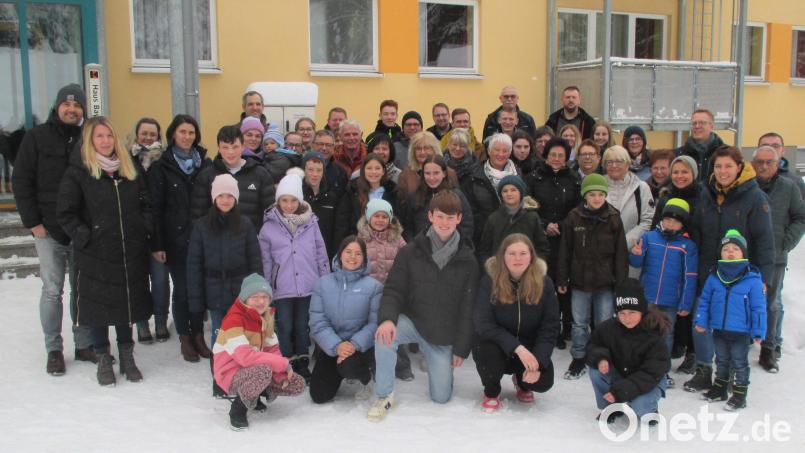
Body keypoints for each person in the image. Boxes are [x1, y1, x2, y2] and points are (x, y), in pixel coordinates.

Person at [57, 116, 152, 386]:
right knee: (99, 307)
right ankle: (102, 358)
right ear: (90, 141)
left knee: (126, 304)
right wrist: (85, 236)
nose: (105, 141)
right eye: (99, 136)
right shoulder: (79, 172)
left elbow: (146, 203)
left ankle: (127, 355)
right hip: (95, 252)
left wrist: (142, 227)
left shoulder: (129, 169)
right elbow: (65, 212)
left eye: (109, 136)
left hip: (127, 249)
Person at [368, 191, 478, 421]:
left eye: (450, 217)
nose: (444, 222)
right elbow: (394, 289)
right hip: (413, 321)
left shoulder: (468, 259)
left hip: (442, 334)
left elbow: (469, 307)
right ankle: (384, 394)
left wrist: (461, 347)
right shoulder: (410, 251)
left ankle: (441, 368)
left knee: (441, 397)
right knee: (384, 334)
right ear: (430, 216)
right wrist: (388, 319)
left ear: (459, 218)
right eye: (440, 216)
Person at [12, 84, 95, 374]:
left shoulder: (89, 140)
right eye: (66, 105)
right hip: (47, 230)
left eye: (77, 106)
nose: (71, 110)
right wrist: (33, 223)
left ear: (83, 110)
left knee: (81, 290)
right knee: (52, 290)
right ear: (58, 107)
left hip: (81, 230)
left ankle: (84, 344)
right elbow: (21, 181)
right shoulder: (36, 138)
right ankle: (54, 349)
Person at [684, 145, 774, 393]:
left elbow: (765, 241)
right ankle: (703, 370)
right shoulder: (706, 194)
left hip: (740, 277)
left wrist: (763, 277)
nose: (723, 171)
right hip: (708, 271)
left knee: (733, 326)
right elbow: (697, 233)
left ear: (739, 167)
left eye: (728, 166)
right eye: (718, 166)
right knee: (700, 320)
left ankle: (731, 374)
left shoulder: (754, 197)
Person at [186, 173, 262, 395]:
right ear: (214, 198)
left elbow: (255, 260)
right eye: (221, 195)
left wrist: (257, 292)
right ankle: (220, 379)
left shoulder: (245, 224)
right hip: (214, 289)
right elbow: (194, 264)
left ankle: (243, 376)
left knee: (243, 335)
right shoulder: (201, 226)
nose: (226, 200)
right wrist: (196, 299)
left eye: (230, 195)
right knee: (220, 336)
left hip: (241, 290)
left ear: (236, 198)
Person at [149, 114, 210, 362]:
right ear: (173, 134)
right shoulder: (161, 167)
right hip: (174, 240)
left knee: (198, 290)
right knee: (183, 290)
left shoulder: (205, 165)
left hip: (202, 239)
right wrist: (157, 243)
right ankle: (185, 337)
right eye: (182, 132)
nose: (187, 137)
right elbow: (154, 208)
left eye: (191, 132)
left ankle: (198, 335)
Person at [473, 234, 559, 411]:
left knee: (543, 381)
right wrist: (517, 348)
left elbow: (549, 327)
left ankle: (523, 383)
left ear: (531, 256)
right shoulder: (489, 281)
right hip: (498, 345)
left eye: (522, 253)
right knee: (486, 352)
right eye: (512, 253)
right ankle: (492, 391)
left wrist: (539, 362)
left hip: (529, 345)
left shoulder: (545, 283)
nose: (517, 258)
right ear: (502, 256)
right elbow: (483, 324)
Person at [258, 173, 330, 383]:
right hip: (282, 288)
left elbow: (320, 252)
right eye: (284, 200)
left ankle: (303, 360)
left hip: (308, 284)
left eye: (293, 200)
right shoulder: (268, 227)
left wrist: (324, 279)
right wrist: (267, 287)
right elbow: (266, 261)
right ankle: (287, 359)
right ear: (278, 201)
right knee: (284, 324)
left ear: (299, 201)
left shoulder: (311, 223)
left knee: (301, 325)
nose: (288, 205)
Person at [557, 174, 628, 380]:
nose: (596, 199)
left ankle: (602, 355)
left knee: (604, 322)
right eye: (592, 194)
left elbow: (621, 254)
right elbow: (565, 250)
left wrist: (620, 283)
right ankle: (578, 357)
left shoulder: (613, 218)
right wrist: (562, 279)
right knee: (579, 323)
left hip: (605, 282)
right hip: (579, 282)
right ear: (585, 196)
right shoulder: (573, 217)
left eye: (600, 194)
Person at [213, 274, 306, 431]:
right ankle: (238, 409)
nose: (261, 301)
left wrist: (280, 374)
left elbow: (273, 350)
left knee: (297, 384)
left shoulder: (266, 318)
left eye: (265, 297)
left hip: (255, 370)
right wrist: (283, 364)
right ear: (244, 299)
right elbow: (245, 357)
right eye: (254, 297)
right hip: (230, 374)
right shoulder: (233, 320)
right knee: (263, 371)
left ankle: (256, 393)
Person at [629, 198, 698, 387]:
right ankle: (639, 367)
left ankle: (661, 371)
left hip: (670, 300)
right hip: (648, 297)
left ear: (683, 223)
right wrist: (635, 254)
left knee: (666, 336)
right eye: (668, 219)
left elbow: (690, 276)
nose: (671, 223)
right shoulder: (649, 238)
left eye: (676, 221)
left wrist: (685, 303)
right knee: (643, 332)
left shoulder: (687, 246)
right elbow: (636, 264)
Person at [694, 230, 766, 411]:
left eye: (735, 249)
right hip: (719, 328)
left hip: (740, 331)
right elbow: (704, 301)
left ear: (743, 253)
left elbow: (759, 308)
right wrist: (701, 321)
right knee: (721, 359)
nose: (731, 252)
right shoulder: (714, 276)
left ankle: (740, 395)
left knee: (739, 362)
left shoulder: (753, 278)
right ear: (720, 253)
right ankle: (720, 388)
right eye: (726, 249)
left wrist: (758, 331)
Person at [309, 236, 383, 404]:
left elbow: (374, 323)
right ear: (340, 254)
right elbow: (318, 322)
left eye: (358, 253)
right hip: (333, 345)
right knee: (319, 395)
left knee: (348, 366)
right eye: (348, 252)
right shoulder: (322, 284)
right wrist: (337, 346)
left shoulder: (374, 287)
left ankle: (366, 377)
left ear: (364, 258)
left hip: (360, 347)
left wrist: (353, 345)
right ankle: (339, 370)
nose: (352, 257)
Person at [751, 146, 805, 373]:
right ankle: (741, 345)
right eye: (760, 162)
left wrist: (784, 244)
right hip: (747, 255)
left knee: (770, 304)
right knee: (745, 302)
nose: (764, 166)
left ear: (778, 163)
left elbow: (800, 217)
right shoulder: (747, 186)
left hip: (774, 258)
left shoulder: (788, 187)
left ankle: (768, 349)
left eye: (769, 162)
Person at [586, 279, 670, 422]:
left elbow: (651, 372)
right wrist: (601, 358)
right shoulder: (608, 328)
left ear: (642, 311)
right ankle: (611, 407)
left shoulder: (654, 334)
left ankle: (650, 409)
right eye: (622, 313)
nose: (627, 318)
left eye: (632, 312)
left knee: (640, 405)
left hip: (648, 380)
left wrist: (620, 392)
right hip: (621, 373)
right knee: (595, 371)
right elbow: (593, 345)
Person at [525, 137, 582, 348]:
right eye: (553, 155)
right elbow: (528, 208)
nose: (557, 159)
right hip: (540, 240)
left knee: (563, 284)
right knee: (542, 285)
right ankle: (545, 329)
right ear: (546, 156)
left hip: (566, 239)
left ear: (567, 158)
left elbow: (577, 209)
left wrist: (562, 224)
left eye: (561, 155)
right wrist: (545, 224)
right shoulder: (533, 179)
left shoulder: (574, 179)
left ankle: (565, 326)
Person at [650, 155, 703, 372]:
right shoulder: (666, 196)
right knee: (670, 314)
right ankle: (671, 350)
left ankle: (691, 352)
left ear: (694, 173)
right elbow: (656, 227)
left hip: (691, 257)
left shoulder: (702, 197)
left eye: (685, 172)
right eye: (676, 172)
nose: (679, 176)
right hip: (667, 262)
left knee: (687, 308)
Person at [357, 199, 413, 381]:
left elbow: (408, 262)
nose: (380, 220)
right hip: (369, 294)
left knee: (394, 327)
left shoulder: (397, 239)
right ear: (368, 217)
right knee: (372, 327)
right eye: (376, 216)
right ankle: (372, 363)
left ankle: (402, 365)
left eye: (384, 216)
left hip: (393, 293)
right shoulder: (361, 238)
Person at [127, 117, 168, 344]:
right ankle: (142, 325)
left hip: (159, 231)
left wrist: (160, 240)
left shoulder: (164, 161)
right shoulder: (126, 159)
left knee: (160, 281)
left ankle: (161, 321)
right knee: (139, 282)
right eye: (144, 133)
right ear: (137, 134)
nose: (148, 137)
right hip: (135, 232)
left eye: (153, 134)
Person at [191, 125, 275, 231]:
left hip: (251, 241)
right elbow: (198, 215)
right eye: (225, 147)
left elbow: (270, 213)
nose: (230, 152)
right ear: (219, 148)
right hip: (216, 242)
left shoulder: (260, 174)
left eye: (235, 147)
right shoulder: (206, 176)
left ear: (243, 146)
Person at [602, 145, 655, 277]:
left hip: (630, 254)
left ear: (627, 164)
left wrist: (622, 244)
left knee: (626, 295)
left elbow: (647, 221)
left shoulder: (641, 188)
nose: (614, 165)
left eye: (619, 161)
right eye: (609, 162)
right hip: (601, 257)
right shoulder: (598, 186)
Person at [399, 155, 473, 244]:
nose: (431, 177)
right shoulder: (415, 195)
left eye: (436, 173)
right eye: (427, 173)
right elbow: (408, 226)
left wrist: (457, 246)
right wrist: (414, 245)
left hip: (451, 248)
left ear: (444, 173)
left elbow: (467, 225)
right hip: (421, 248)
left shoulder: (456, 195)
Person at [463, 133, 520, 248]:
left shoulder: (519, 175)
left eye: (505, 151)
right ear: (489, 151)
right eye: (496, 150)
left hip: (513, 236)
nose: (500, 154)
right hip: (484, 237)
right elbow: (470, 211)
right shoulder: (474, 176)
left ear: (510, 153)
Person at [333, 153, 399, 249]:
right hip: (357, 246)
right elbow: (342, 223)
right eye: (369, 168)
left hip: (385, 248)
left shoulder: (393, 192)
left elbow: (397, 222)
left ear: (383, 171)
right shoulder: (352, 191)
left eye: (377, 168)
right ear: (363, 170)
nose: (373, 172)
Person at [478, 175, 549, 262]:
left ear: (521, 193)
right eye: (505, 191)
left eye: (513, 190)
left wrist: (536, 266)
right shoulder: (493, 218)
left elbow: (541, 246)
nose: (509, 194)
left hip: (527, 268)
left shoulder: (532, 217)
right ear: (501, 195)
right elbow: (485, 249)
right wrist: (491, 268)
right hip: (500, 269)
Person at [302, 151, 339, 259]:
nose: (315, 174)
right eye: (310, 170)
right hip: (303, 252)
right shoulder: (298, 196)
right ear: (304, 170)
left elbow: (336, 229)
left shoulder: (331, 197)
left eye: (319, 170)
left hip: (325, 251)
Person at [676, 109, 725, 182]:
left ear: (711, 126)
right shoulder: (679, 154)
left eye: (702, 123)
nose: (697, 126)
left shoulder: (725, 153)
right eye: (694, 123)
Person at [396, 131, 446, 198]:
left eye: (426, 148)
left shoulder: (448, 172)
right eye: (418, 148)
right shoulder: (405, 175)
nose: (422, 152)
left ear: (435, 149)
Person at [757, 132, 805, 198]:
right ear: (758, 150)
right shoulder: (747, 178)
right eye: (765, 146)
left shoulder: (795, 181)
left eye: (775, 146)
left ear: (783, 151)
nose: (770, 149)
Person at [310, 129, 348, 197]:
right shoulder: (301, 168)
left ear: (333, 147)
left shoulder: (340, 172)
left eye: (328, 145)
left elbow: (343, 198)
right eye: (320, 144)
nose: (324, 148)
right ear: (312, 145)